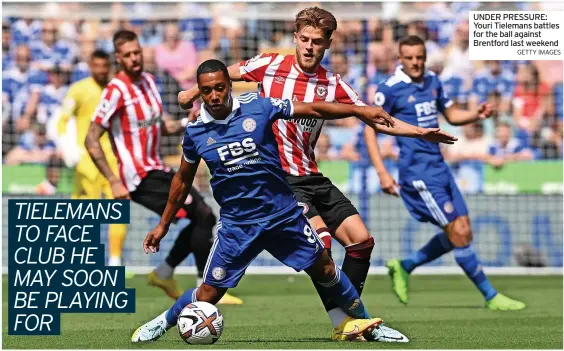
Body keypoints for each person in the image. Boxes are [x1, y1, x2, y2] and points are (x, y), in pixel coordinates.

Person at [177, 6, 457, 339]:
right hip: (279, 180)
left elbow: (373, 116)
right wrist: (193, 92)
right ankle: (345, 320)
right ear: (296, 38)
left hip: (311, 174)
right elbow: (227, 72)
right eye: (305, 39)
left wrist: (420, 131)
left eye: (318, 42)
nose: (310, 47)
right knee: (320, 246)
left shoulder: (332, 84)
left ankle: (347, 319)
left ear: (327, 45)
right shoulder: (270, 64)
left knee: (362, 241)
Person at [131, 59, 406, 343]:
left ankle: (365, 324)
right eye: (207, 90)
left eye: (220, 87)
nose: (214, 96)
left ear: (229, 85)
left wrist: (360, 111)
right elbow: (181, 181)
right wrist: (163, 224)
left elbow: (312, 108)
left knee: (324, 266)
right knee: (208, 293)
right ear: (199, 92)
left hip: (282, 215)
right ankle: (163, 322)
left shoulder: (259, 106)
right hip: (238, 226)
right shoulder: (196, 132)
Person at [364, 35, 526, 311]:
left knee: (464, 231)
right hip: (417, 174)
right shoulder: (389, 89)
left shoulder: (433, 81)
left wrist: (476, 114)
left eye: (420, 57)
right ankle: (491, 296)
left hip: (440, 167)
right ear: (400, 59)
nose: (416, 62)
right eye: (410, 57)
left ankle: (404, 266)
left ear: (425, 57)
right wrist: (381, 172)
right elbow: (370, 128)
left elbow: (450, 114)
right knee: (458, 232)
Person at [84, 30, 242, 305]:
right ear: (118, 58)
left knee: (202, 217)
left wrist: (186, 121)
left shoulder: (148, 81)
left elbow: (163, 126)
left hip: (155, 167)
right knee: (203, 215)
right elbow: (90, 139)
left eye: (137, 52)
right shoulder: (115, 90)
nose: (135, 58)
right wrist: (113, 180)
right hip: (138, 177)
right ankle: (205, 286)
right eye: (128, 55)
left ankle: (166, 272)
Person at [56, 49, 130, 273]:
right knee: (82, 212)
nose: (100, 70)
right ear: (89, 65)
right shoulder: (78, 90)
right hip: (86, 161)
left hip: (114, 160)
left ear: (109, 65)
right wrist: (68, 148)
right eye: (95, 65)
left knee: (118, 208)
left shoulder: (117, 89)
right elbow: (62, 120)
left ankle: (115, 260)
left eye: (103, 66)